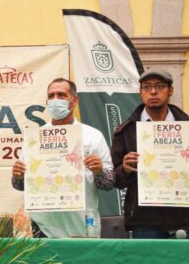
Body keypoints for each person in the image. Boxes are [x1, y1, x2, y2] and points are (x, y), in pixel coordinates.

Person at [111, 68, 189, 239]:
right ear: (140, 92)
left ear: (170, 90)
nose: (153, 91)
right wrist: (125, 169)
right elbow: (116, 180)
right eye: (146, 87)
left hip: (183, 219)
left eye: (159, 86)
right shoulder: (126, 131)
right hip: (144, 222)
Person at [10, 78, 115, 239]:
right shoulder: (35, 137)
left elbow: (109, 183)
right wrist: (17, 175)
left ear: (74, 100)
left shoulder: (93, 135)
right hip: (44, 227)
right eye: (51, 96)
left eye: (61, 95)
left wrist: (99, 171)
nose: (55, 100)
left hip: (83, 225)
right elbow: (20, 185)